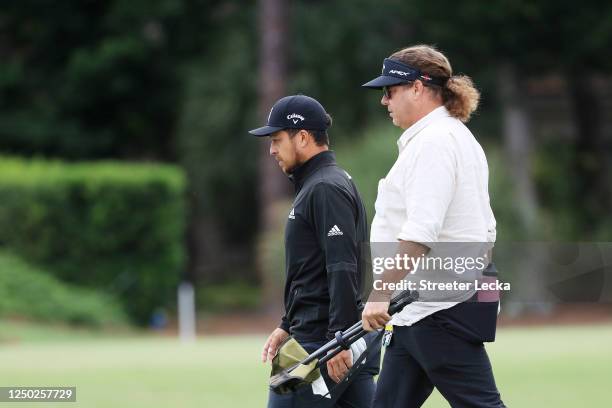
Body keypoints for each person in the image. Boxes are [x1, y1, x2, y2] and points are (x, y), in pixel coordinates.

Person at [360, 45, 506, 407]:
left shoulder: (434, 143)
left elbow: (420, 232)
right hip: (421, 309)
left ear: (417, 88)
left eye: (388, 91)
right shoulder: (452, 137)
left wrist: (380, 293)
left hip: (437, 311)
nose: (384, 101)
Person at [249, 94, 380, 408]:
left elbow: (342, 266)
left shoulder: (324, 187)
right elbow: (312, 270)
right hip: (326, 335)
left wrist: (339, 340)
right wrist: (286, 324)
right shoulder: (322, 183)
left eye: (277, 139)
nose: (272, 150)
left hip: (320, 343)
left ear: (303, 137)